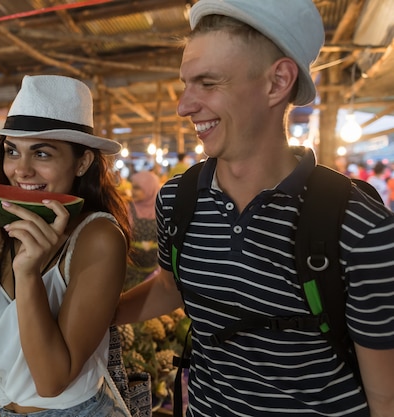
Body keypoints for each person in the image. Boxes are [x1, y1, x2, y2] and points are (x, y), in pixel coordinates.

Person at [115, 1, 394, 416]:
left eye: (208, 83)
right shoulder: (177, 200)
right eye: (186, 83)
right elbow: (171, 287)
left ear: (277, 81)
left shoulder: (358, 226)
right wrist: (85, 316)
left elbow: (385, 397)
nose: (184, 106)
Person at [0, 74, 132, 416]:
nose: (21, 170)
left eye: (42, 153)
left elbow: (51, 381)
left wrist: (29, 273)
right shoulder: (2, 229)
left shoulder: (98, 237)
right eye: (12, 151)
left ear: (83, 162)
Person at [124, 170, 161, 291]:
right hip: (130, 271)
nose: (133, 191)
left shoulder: (161, 209)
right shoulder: (128, 208)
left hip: (154, 272)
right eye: (133, 187)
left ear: (149, 189)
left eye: (137, 188)